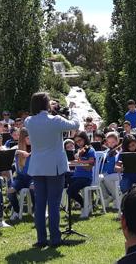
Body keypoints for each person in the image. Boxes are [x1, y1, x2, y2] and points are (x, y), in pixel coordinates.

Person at [24, 92, 79, 248]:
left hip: (37, 166)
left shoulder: (28, 121)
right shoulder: (55, 120)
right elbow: (75, 124)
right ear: (46, 104)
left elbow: (40, 118)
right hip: (54, 166)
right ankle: (55, 238)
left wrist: (50, 109)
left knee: (40, 204)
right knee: (53, 204)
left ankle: (41, 239)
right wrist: (73, 110)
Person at [7, 128, 35, 221]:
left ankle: (37, 210)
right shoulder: (17, 148)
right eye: (27, 138)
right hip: (20, 178)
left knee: (33, 188)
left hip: (32, 177)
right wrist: (21, 151)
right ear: (22, 139)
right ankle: (16, 210)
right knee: (10, 191)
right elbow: (8, 152)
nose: (30, 140)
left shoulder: (36, 148)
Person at [67, 131, 96, 219]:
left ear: (85, 139)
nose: (78, 143)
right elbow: (75, 164)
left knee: (70, 191)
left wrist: (79, 162)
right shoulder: (78, 151)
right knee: (63, 179)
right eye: (76, 142)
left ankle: (84, 205)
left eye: (80, 140)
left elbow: (90, 165)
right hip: (76, 176)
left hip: (86, 178)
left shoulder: (90, 150)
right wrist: (72, 162)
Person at [100, 132, 121, 209]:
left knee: (106, 178)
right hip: (107, 173)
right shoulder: (107, 152)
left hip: (117, 174)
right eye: (109, 142)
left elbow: (118, 166)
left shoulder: (118, 151)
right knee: (98, 179)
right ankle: (107, 197)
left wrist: (116, 154)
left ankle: (117, 198)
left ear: (117, 142)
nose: (111, 144)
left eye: (113, 142)